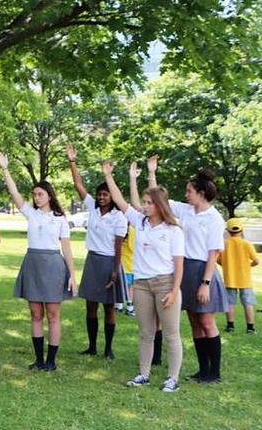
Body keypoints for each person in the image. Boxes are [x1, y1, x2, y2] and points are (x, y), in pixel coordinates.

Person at [102, 161, 185, 393]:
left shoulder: (173, 231)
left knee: (171, 334)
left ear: (160, 206)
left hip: (165, 283)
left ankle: (172, 378)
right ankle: (143, 374)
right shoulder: (140, 222)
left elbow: (179, 265)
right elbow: (120, 200)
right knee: (146, 333)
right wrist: (108, 176)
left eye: (149, 203)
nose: (145, 206)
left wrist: (174, 291)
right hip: (141, 285)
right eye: (145, 202)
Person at [0, 150, 76, 371]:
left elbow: (67, 249)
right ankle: (39, 360)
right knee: (36, 314)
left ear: (49, 195)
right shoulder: (31, 213)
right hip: (32, 264)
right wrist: (5, 169)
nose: (36, 197)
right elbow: (14, 193)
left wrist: (72, 276)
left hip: (53, 266)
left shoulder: (60, 219)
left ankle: (51, 361)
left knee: (53, 314)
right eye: (34, 194)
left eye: (40, 194)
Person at [148, 157, 227, 384]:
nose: (186, 194)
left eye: (189, 191)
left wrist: (206, 283)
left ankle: (214, 372)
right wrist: (152, 173)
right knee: (193, 320)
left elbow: (213, 254)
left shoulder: (214, 218)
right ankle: (203, 370)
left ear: (201, 193)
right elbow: (159, 198)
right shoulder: (187, 211)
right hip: (187, 269)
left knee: (206, 321)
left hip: (203, 271)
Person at [67, 143, 128, 360]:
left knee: (109, 308)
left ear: (112, 197)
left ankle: (108, 349)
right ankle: (92, 346)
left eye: (105, 194)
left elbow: (119, 245)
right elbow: (78, 184)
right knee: (90, 305)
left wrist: (115, 270)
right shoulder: (92, 208)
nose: (102, 197)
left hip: (110, 262)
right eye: (100, 194)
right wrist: (72, 161)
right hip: (93, 261)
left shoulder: (119, 217)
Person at [219, 218, 258, 334]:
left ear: (228, 231)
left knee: (230, 303)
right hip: (245, 279)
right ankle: (250, 328)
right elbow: (256, 261)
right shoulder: (247, 244)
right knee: (248, 303)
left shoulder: (224, 244)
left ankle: (230, 326)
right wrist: (248, 266)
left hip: (230, 278)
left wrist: (226, 265)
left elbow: (217, 260)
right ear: (241, 230)